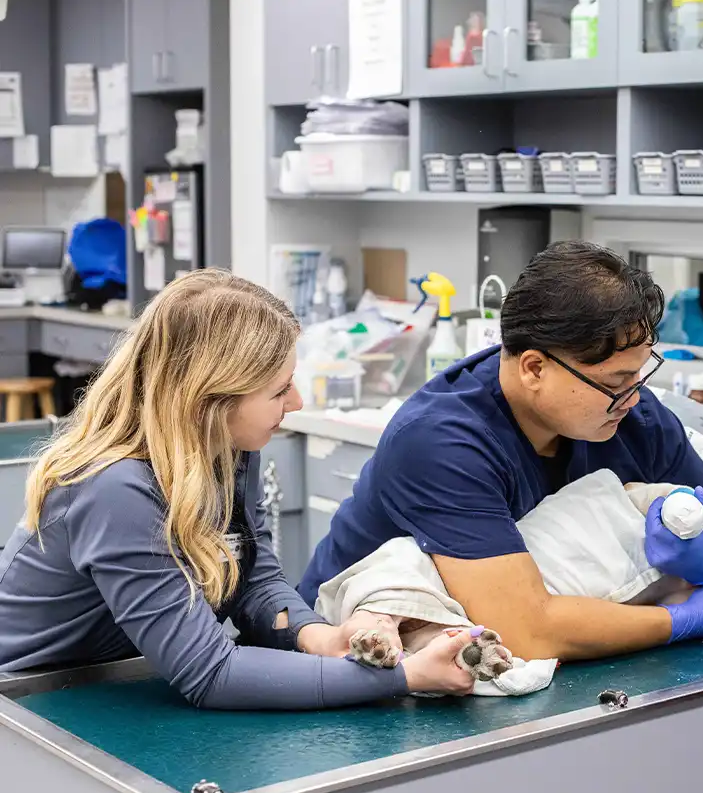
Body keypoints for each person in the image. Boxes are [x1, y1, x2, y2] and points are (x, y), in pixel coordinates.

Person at [0, 270, 479, 709]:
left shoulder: (225, 451)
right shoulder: (115, 488)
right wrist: (408, 678)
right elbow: (211, 674)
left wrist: (320, 637)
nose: (297, 402)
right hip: (27, 704)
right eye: (279, 390)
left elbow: (253, 580)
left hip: (118, 683)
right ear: (210, 399)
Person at [299, 241, 703, 659]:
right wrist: (684, 618)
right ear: (535, 368)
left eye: (639, 374)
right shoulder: (441, 442)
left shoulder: (628, 413)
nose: (635, 396)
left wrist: (702, 560)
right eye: (615, 382)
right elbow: (525, 630)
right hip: (356, 659)